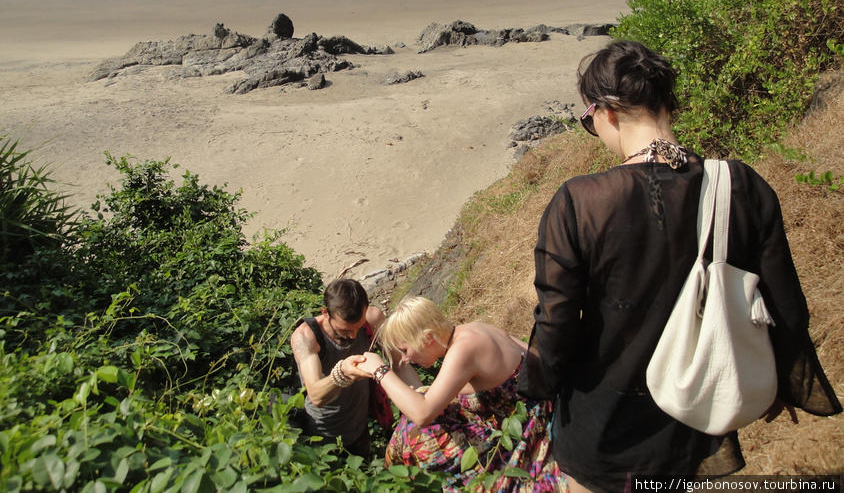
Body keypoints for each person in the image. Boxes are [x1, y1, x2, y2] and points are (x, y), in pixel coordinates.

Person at [520, 40, 841, 492]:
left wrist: (533, 385)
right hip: (696, 413)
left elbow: (555, 322)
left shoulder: (582, 200)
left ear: (606, 112)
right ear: (667, 103)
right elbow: (786, 305)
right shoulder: (741, 185)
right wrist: (784, 381)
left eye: (589, 120)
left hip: (603, 423)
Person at [357, 296, 565, 492]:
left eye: (405, 350)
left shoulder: (463, 350)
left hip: (528, 431)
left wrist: (380, 371)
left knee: (413, 430)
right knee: (421, 400)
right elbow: (533, 357)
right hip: (531, 414)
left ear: (428, 337)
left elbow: (422, 414)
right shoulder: (476, 329)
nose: (404, 359)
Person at [290, 278, 386, 458]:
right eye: (345, 330)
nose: (353, 335)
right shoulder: (306, 337)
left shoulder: (373, 319)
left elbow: (396, 361)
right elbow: (316, 395)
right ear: (325, 313)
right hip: (323, 436)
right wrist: (342, 372)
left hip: (360, 428)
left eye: (358, 327)